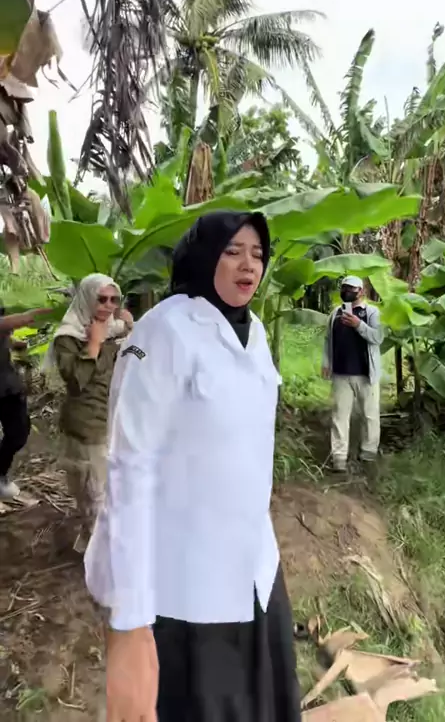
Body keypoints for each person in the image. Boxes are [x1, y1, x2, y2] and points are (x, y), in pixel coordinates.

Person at [85, 210, 301, 722]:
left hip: (255, 568)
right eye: (233, 252)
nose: (249, 265)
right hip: (186, 582)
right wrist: (131, 618)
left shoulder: (256, 332)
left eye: (258, 255)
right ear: (204, 258)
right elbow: (129, 468)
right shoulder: (164, 331)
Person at [51, 274, 133, 550]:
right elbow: (75, 381)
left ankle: (95, 544)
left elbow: (138, 357)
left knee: (111, 489)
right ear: (87, 298)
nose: (108, 306)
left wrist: (132, 329)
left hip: (112, 421)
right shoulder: (69, 337)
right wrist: (94, 345)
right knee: (92, 494)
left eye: (114, 300)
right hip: (86, 426)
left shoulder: (113, 331)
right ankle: (99, 553)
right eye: (102, 299)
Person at [322, 275, 383, 472]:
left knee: (370, 415)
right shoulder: (335, 314)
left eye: (351, 288)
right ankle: (339, 458)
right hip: (341, 373)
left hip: (366, 374)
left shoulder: (371, 312)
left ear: (361, 291)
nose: (346, 291)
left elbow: (377, 337)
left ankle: (368, 454)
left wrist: (358, 325)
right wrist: (326, 362)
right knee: (339, 416)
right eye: (344, 288)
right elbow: (328, 339)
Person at [0, 305, 54, 499]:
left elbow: (5, 331)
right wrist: (28, 316)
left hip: (9, 389)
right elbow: (5, 324)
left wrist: (17, 343)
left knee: (19, 433)